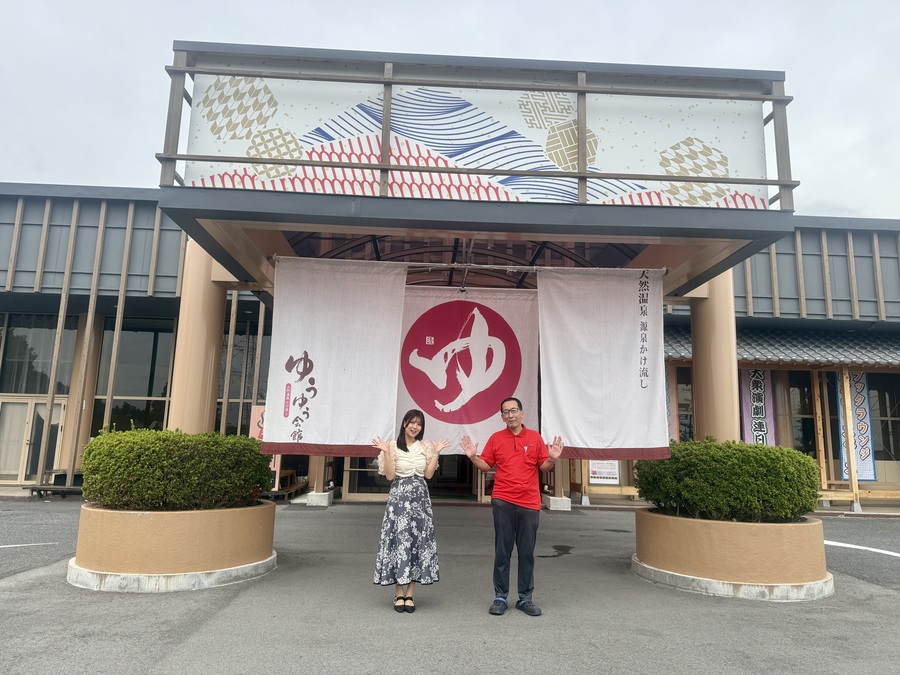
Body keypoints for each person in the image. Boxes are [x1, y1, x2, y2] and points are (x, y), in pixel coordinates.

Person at [461, 397, 563, 617]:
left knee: (526, 553)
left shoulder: (535, 438)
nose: (510, 415)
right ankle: (500, 597)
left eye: (514, 410)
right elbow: (485, 465)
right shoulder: (496, 439)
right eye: (506, 412)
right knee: (502, 551)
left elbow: (544, 467)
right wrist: (473, 457)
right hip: (503, 500)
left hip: (529, 503)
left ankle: (525, 598)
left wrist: (553, 459)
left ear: (522, 413)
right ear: (502, 417)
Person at [372, 409, 449, 613]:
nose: (415, 427)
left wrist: (436, 452)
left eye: (419, 424)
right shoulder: (393, 446)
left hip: (420, 499)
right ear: (404, 423)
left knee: (417, 542)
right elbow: (390, 476)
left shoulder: (425, 446)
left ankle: (410, 593)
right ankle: (399, 592)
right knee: (399, 541)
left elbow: (428, 474)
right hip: (399, 498)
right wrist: (386, 452)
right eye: (412, 422)